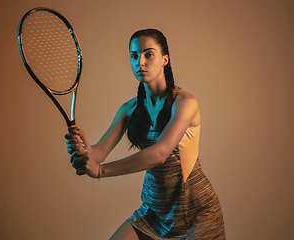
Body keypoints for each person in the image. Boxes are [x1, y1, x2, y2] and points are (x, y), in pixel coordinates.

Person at [65, 29, 225, 240]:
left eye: (148, 54)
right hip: (154, 211)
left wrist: (101, 171)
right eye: (134, 55)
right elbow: (100, 152)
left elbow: (160, 153)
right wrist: (86, 150)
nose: (140, 61)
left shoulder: (185, 103)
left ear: (164, 59)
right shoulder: (129, 109)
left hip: (196, 213)